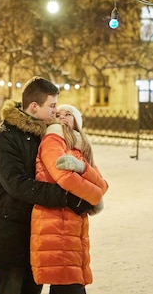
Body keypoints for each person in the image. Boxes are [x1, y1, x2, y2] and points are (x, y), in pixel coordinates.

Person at [0, 77, 93, 294]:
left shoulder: (48, 136)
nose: (56, 111)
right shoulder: (4, 139)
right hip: (12, 231)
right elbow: (17, 184)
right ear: (34, 106)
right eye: (52, 105)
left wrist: (85, 193)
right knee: (11, 288)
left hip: (41, 230)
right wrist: (66, 196)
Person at [31, 104, 108, 294]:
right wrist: (94, 196)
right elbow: (65, 178)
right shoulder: (52, 139)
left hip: (72, 223)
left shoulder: (79, 150)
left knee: (71, 284)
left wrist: (82, 168)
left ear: (77, 121)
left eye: (68, 114)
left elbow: (103, 186)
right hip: (55, 222)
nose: (62, 117)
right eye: (57, 114)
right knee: (67, 284)